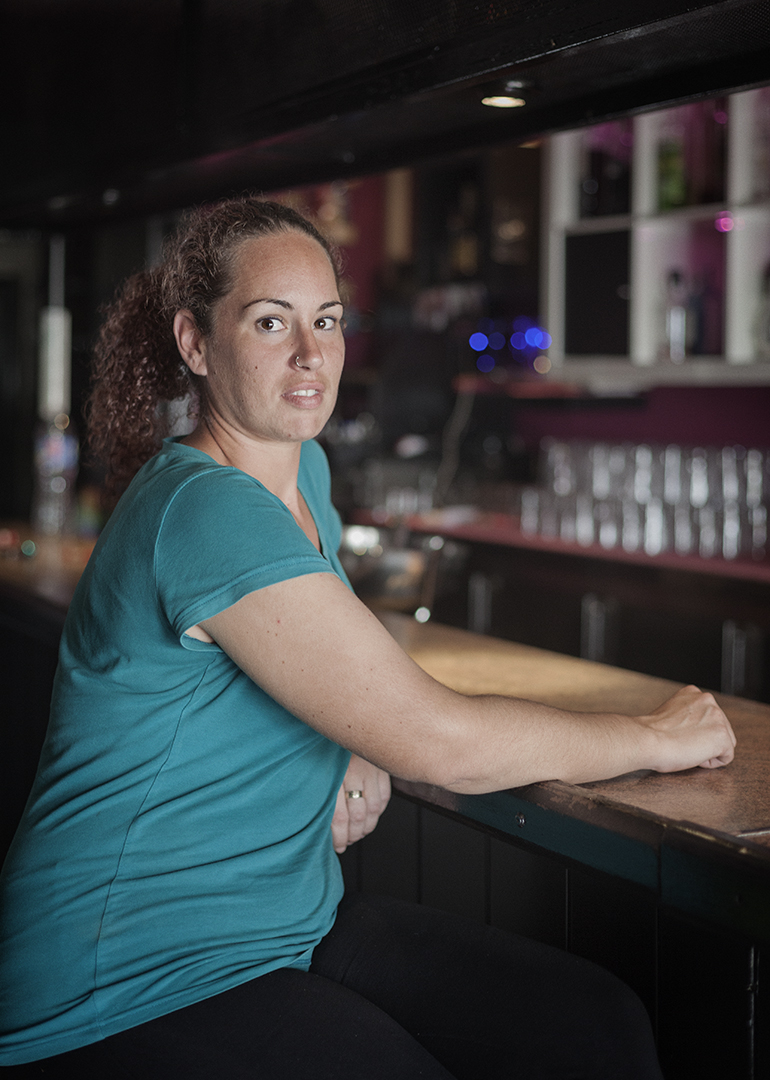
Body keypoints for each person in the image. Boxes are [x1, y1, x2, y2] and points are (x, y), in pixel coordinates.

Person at [0, 197, 735, 1079]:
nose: (312, 355)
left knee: (593, 1026)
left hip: (279, 927)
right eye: (272, 323)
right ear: (196, 343)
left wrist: (348, 730)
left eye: (328, 321)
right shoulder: (202, 507)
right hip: (125, 974)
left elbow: (329, 655)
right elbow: (437, 740)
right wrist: (651, 738)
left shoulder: (301, 468)